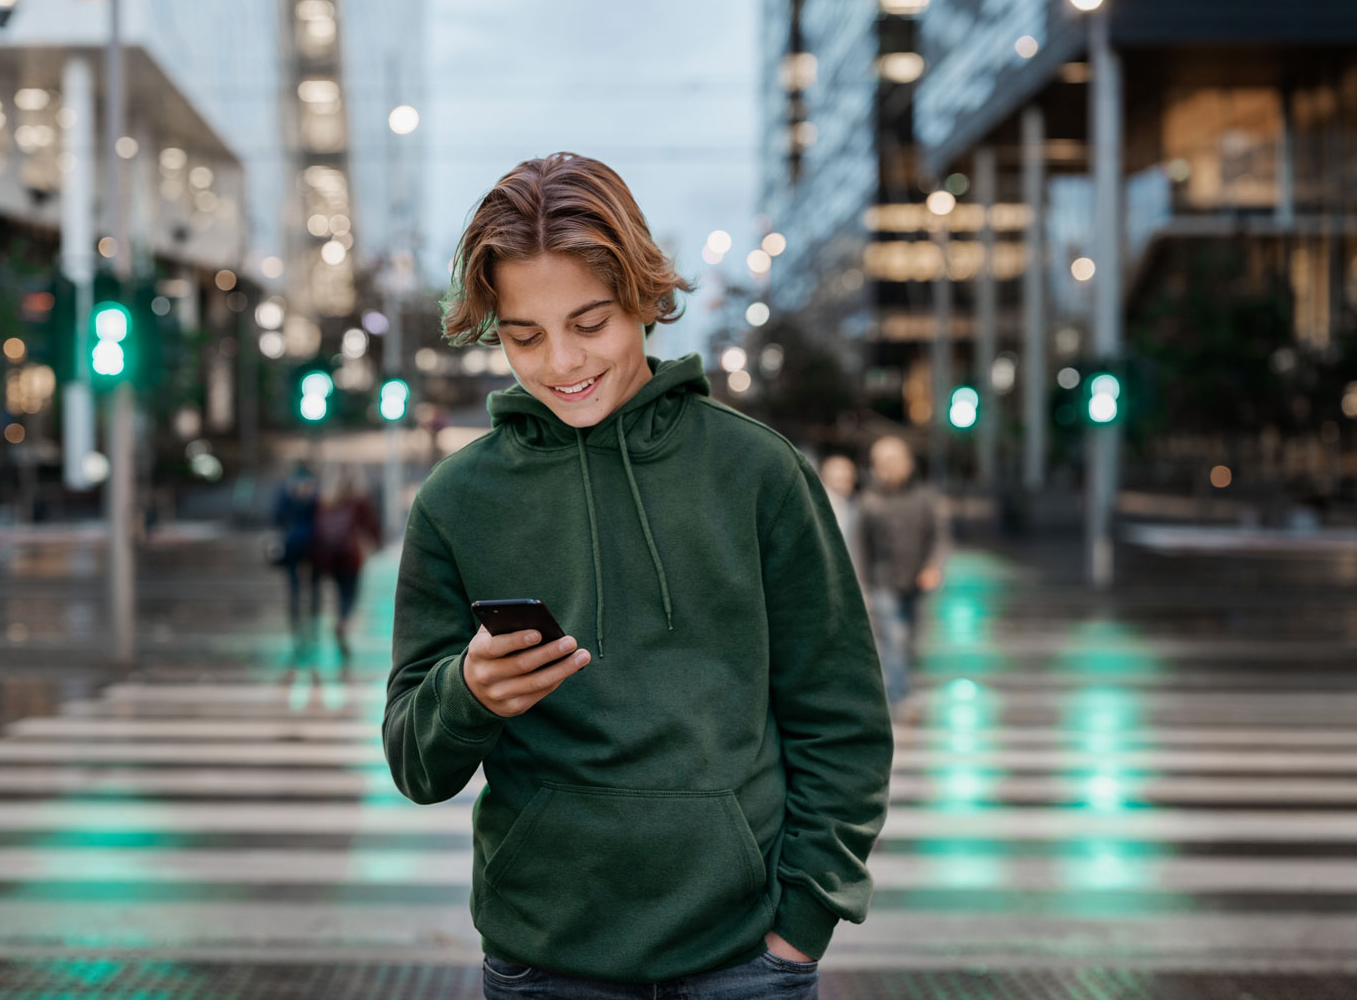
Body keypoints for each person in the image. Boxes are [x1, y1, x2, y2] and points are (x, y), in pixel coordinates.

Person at [383, 152, 891, 999]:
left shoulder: (759, 473)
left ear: (645, 300)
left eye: (590, 323)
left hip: (743, 965)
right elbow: (413, 760)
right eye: (524, 334)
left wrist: (802, 927)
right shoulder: (455, 500)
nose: (559, 363)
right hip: (544, 963)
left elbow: (841, 722)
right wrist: (467, 694)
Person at [857, 435, 948, 721]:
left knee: (911, 643)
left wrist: (933, 566)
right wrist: (863, 588)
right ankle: (897, 698)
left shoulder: (924, 498)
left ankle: (897, 687)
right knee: (894, 640)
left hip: (916, 583)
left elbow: (939, 538)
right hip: (884, 582)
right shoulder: (869, 502)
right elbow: (860, 548)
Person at [309, 467, 381, 666]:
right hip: (352, 557)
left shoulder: (325, 500)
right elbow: (371, 525)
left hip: (330, 558)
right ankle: (342, 621)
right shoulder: (359, 500)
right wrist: (377, 543)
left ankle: (340, 618)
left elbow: (316, 528)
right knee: (351, 595)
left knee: (340, 592)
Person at [271, 461, 319, 657]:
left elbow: (276, 516)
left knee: (294, 587)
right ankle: (313, 628)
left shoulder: (286, 490)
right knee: (314, 586)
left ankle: (296, 628)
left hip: (291, 543)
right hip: (313, 543)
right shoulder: (314, 491)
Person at [819, 454, 864, 588]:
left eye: (847, 479)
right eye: (838, 479)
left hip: (850, 573)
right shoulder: (816, 505)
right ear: (825, 478)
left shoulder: (857, 504)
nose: (844, 483)